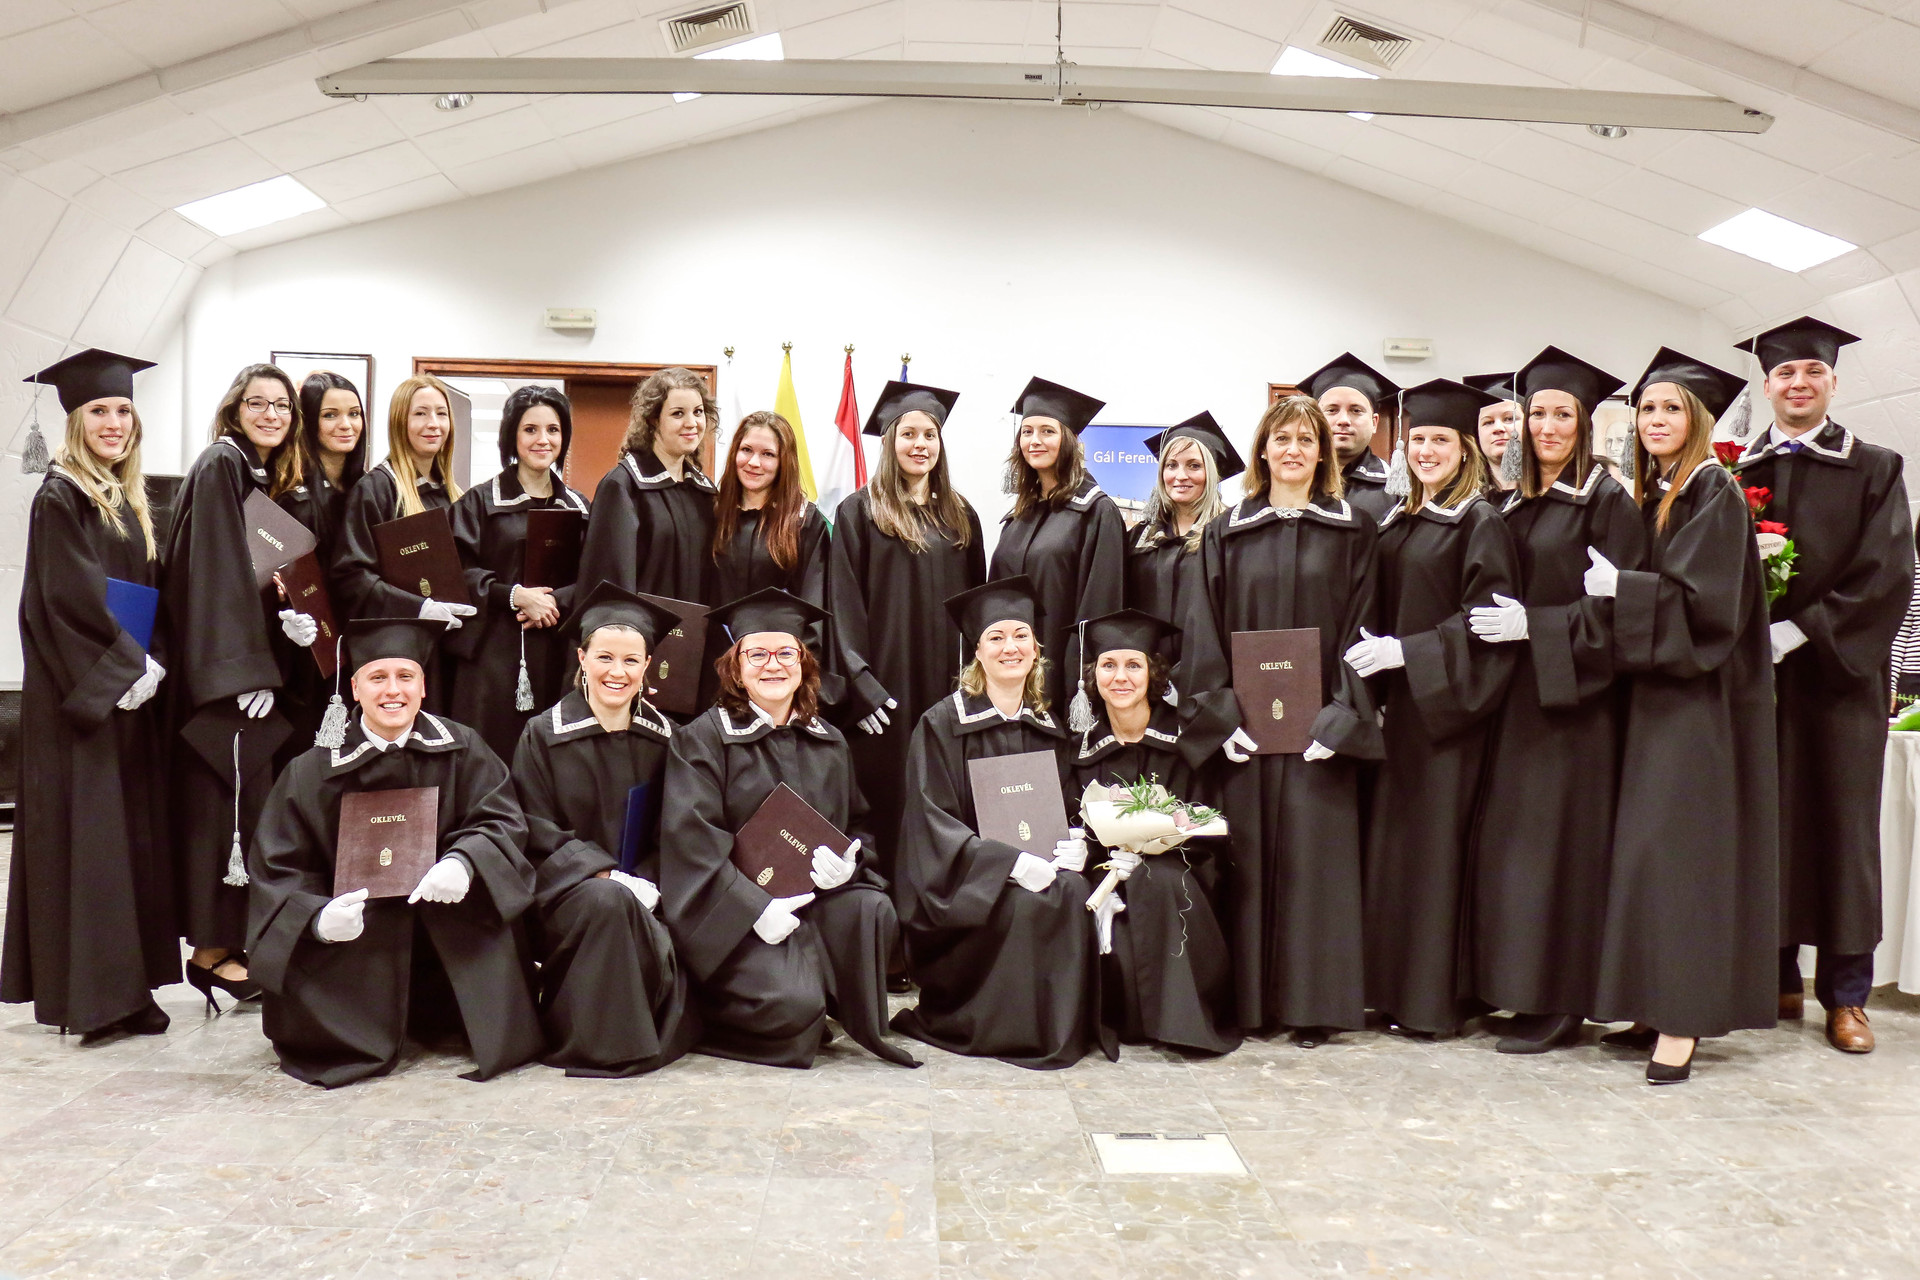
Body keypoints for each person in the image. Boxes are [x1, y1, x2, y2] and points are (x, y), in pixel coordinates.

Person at [1587, 351, 1779, 1083]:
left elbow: (1706, 610)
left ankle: (1682, 1019)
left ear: (1697, 420)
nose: (1656, 420)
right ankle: (1651, 1002)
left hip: (1698, 707)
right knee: (1647, 854)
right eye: (1647, 408)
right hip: (1659, 700)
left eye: (1671, 408)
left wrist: (1625, 589)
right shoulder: (1665, 491)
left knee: (1683, 858)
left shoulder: (1712, 491)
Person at [248, 617, 544, 1088]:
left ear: (423, 687)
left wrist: (465, 861)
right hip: (358, 943)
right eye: (377, 677)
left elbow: (503, 820)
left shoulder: (463, 749)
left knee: (486, 934)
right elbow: (279, 867)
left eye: (406, 677)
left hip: (446, 927)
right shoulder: (309, 772)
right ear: (355, 688)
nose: (393, 690)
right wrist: (317, 919)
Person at [1731, 317, 1912, 1055]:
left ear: (1834, 381)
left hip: (1839, 684)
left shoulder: (1874, 467)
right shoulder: (1737, 470)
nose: (1798, 383)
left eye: (1812, 371)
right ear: (1767, 383)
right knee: (1765, 823)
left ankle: (1846, 996)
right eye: (1785, 372)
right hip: (1756, 683)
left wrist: (1802, 630)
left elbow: (1887, 575)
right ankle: (1775, 977)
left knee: (1841, 834)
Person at [1177, 396, 1381, 1045]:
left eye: (1306, 440)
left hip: (1318, 733)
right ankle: (1249, 1004)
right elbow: (1202, 627)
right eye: (1281, 439)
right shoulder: (1227, 530)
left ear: (1323, 454)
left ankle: (1311, 1007)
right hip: (1247, 732)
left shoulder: (1353, 529)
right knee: (1246, 862)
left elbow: (1363, 628)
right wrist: (1220, 715)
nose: (1293, 450)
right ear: (1262, 450)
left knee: (1314, 867)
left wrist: (1342, 716)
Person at [1464, 347, 1647, 1053]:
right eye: (1535, 413)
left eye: (1561, 415)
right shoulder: (1510, 503)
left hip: (1576, 707)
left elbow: (1616, 615)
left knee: (1565, 853)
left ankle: (1566, 1000)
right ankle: (1523, 989)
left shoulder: (1606, 503)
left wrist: (1533, 627)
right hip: (1516, 701)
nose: (1545, 427)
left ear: (1584, 423)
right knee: (1517, 851)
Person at [656, 588, 916, 1069]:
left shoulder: (829, 741)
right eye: (757, 654)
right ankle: (713, 1009)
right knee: (793, 1011)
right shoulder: (703, 741)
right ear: (735, 668)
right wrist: (754, 909)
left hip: (812, 905)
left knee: (872, 908)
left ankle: (818, 987)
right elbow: (692, 844)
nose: (772, 665)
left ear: (803, 663)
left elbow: (856, 824)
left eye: (785, 654)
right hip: (735, 919)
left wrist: (850, 863)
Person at [3, 349, 177, 1044]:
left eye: (124, 410)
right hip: (83, 700)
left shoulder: (125, 497)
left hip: (125, 692)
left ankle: (129, 990)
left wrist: (153, 661)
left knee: (126, 838)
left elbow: (145, 594)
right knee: (91, 840)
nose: (114, 423)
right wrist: (128, 668)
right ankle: (96, 999)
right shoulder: (62, 496)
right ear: (74, 421)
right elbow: (64, 601)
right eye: (99, 411)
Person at [1348, 379, 1519, 1037]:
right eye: (1417, 439)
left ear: (1465, 447)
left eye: (1439, 440)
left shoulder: (1479, 522)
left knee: (1434, 859)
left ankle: (1431, 1004)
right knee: (1395, 857)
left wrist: (1407, 655)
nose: (1425, 451)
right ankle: (1389, 994)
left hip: (1448, 717)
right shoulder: (1401, 518)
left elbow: (1486, 624)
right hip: (1399, 717)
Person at [890, 578, 1105, 1069]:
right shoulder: (941, 724)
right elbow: (931, 821)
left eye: (1021, 635)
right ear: (977, 652)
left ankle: (1055, 1030)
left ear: (1037, 648)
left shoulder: (1048, 726)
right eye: (996, 637)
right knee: (1020, 903)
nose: (1011, 647)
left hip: (1040, 866)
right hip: (967, 885)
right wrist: (1007, 864)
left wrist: (1078, 844)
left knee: (1072, 892)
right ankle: (1003, 1029)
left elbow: (1068, 806)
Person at [161, 363, 308, 1011]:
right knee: (221, 817)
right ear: (234, 409)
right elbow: (215, 574)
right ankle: (211, 954)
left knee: (242, 816)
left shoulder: (253, 473)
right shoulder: (222, 463)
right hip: (224, 682)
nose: (271, 414)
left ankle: (230, 946)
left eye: (282, 405)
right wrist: (246, 671)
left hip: (237, 670)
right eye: (258, 403)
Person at [511, 583, 698, 1076]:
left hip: (652, 891)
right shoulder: (543, 734)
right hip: (567, 894)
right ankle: (603, 1045)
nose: (618, 672)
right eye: (605, 658)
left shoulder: (668, 739)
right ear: (582, 658)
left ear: (647, 665)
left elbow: (679, 828)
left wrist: (649, 881)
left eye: (631, 660)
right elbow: (533, 826)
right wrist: (603, 874)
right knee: (607, 902)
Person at [827, 380, 985, 881]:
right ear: (890, 442)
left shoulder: (962, 516)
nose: (920, 445)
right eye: (908, 434)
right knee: (890, 796)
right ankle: (888, 904)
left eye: (929, 435)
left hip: (947, 687)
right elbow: (842, 604)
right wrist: (861, 686)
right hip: (886, 693)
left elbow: (977, 609)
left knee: (947, 794)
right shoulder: (860, 511)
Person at [1067, 608, 1239, 1055]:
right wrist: (1095, 858)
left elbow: (1207, 827)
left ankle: (1179, 1022)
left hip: (1180, 871)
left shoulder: (1186, 744)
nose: (1120, 677)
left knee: (1158, 882)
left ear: (1153, 673)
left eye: (1133, 665)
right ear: (1093, 675)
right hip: (1105, 873)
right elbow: (1074, 826)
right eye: (1108, 665)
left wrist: (1155, 848)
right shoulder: (1079, 752)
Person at [448, 385, 591, 762]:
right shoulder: (478, 503)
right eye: (530, 429)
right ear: (512, 435)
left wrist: (554, 600)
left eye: (553, 430)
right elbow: (455, 572)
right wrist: (513, 595)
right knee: (493, 754)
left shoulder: (580, 508)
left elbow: (596, 575)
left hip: (559, 651)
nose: (543, 440)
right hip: (495, 654)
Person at [989, 377, 1127, 716]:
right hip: (1010, 678)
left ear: (1069, 441)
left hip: (1062, 683)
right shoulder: (1017, 517)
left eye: (1047, 431)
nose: (1035, 440)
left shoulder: (1096, 513)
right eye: (1027, 432)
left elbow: (1100, 609)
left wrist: (1077, 681)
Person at [710, 410, 850, 707]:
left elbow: (813, 606)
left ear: (784, 461)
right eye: (746, 450)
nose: (754, 462)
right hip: (715, 669)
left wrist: (793, 672)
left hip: (777, 673)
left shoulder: (804, 522)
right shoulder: (714, 514)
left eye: (768, 454)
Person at [273, 371, 370, 761]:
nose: (346, 425)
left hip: (359, 645)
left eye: (354, 413)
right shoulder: (290, 495)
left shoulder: (368, 489)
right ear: (309, 421)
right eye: (331, 415)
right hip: (306, 650)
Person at [332, 374, 471, 631]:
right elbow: (352, 578)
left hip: (452, 640)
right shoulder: (376, 489)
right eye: (420, 413)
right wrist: (417, 608)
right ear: (399, 421)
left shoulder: (455, 496)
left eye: (441, 414)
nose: (433, 424)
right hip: (398, 639)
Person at [576, 367, 718, 606]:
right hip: (640, 627)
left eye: (698, 412)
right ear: (653, 420)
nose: (692, 423)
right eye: (678, 414)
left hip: (696, 628)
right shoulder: (622, 486)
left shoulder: (705, 491)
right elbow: (610, 582)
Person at [1126, 412, 1241, 683]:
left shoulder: (1231, 536)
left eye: (1194, 466)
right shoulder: (1140, 539)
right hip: (1144, 680)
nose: (1180, 476)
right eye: (1172, 465)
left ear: (1211, 473)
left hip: (1209, 681)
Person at [1301, 353, 1401, 523]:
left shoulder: (1394, 488)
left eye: (1356, 410)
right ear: (1314, 419)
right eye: (1332, 410)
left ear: (1374, 422)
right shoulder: (1292, 478)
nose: (1343, 420)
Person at [1465, 372, 1522, 493]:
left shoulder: (1552, 494)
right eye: (1488, 422)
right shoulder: (1467, 500)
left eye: (1509, 418)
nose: (1498, 428)